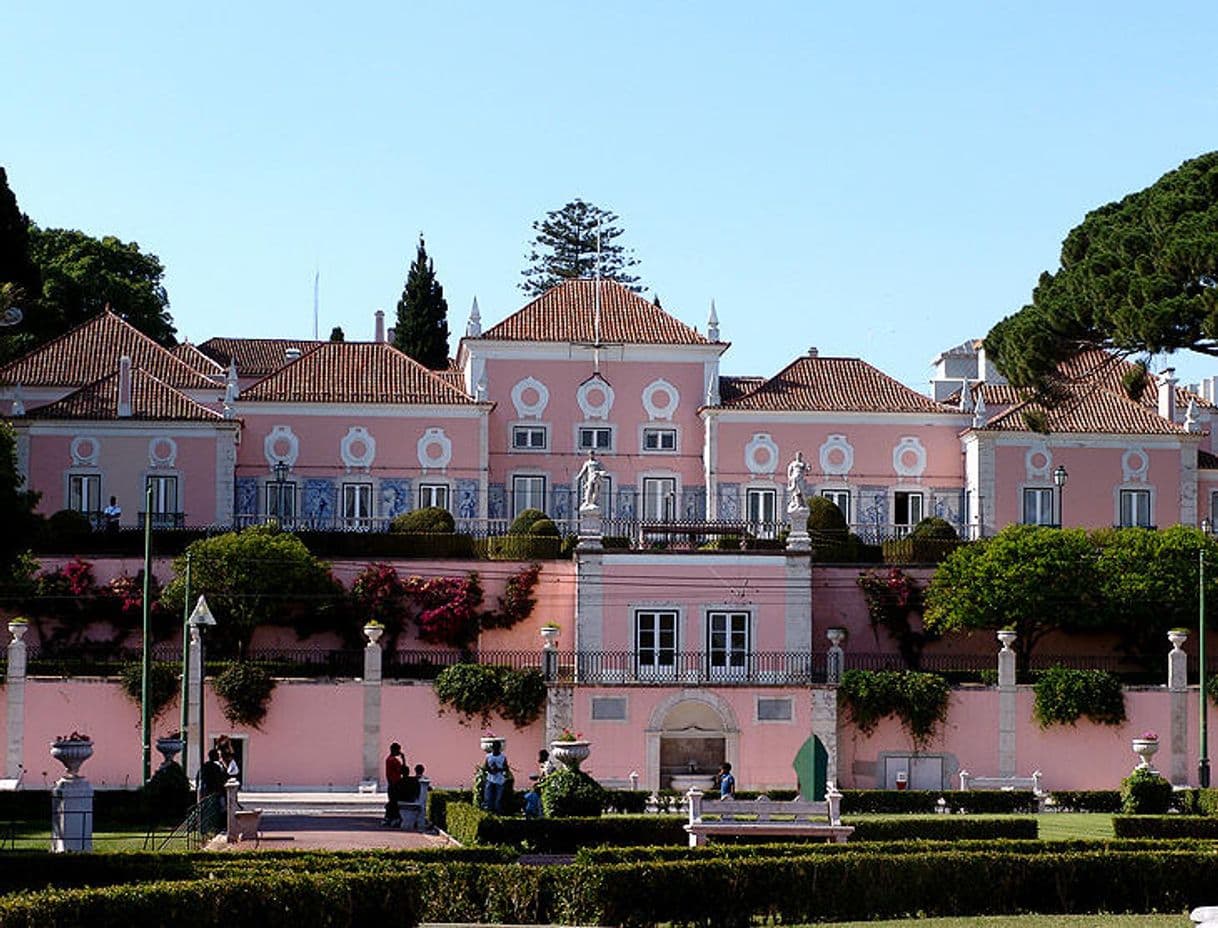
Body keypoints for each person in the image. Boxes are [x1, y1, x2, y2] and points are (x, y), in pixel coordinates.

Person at [483, 740, 509, 813]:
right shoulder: (488, 756)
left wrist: (498, 769)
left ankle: (498, 812)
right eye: (494, 747)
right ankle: (489, 811)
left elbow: (506, 768)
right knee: (488, 797)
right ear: (492, 748)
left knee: (499, 799)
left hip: (500, 780)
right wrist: (490, 770)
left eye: (497, 747)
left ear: (499, 748)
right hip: (490, 778)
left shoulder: (503, 757)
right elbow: (485, 767)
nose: (495, 749)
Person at [382, 741, 405, 827]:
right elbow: (403, 771)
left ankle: (388, 818)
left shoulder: (388, 759)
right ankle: (393, 819)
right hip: (395, 783)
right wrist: (403, 759)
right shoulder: (393, 760)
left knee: (392, 802)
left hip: (391, 783)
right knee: (394, 803)